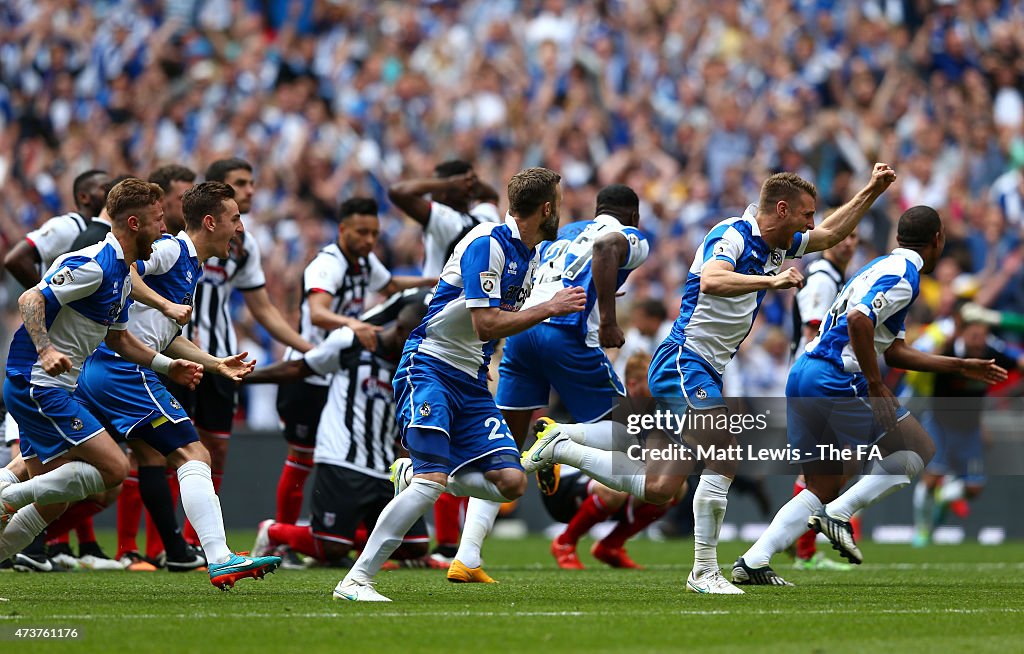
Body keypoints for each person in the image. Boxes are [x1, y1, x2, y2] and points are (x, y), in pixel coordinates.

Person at [523, 164, 898, 594]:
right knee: (724, 453)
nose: (811, 224)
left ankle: (563, 446)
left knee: (662, 487)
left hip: (704, 366)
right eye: (806, 214)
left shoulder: (778, 243)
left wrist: (871, 190)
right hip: (686, 359)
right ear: (781, 208)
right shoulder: (733, 234)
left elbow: (830, 234)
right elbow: (713, 280)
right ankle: (704, 572)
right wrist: (771, 281)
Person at [334, 167, 587, 602]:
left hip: (470, 380)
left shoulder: (529, 255)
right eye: (558, 205)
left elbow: (492, 327)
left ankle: (413, 471)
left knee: (511, 481)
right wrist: (549, 308)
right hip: (430, 366)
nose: (559, 212)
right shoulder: (487, 243)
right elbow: (485, 321)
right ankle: (355, 581)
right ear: (547, 208)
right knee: (432, 484)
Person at [732, 206, 1007, 586]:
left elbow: (894, 350)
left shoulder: (880, 266)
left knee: (824, 483)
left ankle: (753, 561)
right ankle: (838, 515)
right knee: (917, 449)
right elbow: (859, 319)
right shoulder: (904, 275)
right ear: (938, 240)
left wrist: (960, 365)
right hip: (834, 376)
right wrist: (877, 385)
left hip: (805, 374)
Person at [74, 181, 282, 588]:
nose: (240, 227)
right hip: (122, 367)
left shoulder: (193, 265)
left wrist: (215, 363)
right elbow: (124, 268)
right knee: (193, 453)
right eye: (235, 218)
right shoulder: (172, 250)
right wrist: (165, 304)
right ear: (210, 221)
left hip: (104, 366)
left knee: (52, 467)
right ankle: (219, 557)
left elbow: (165, 334)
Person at [0, 180, 201, 565]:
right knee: (114, 469)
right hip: (38, 383)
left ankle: (7, 496)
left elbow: (120, 341)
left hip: (50, 385)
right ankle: (6, 498)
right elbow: (30, 298)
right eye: (158, 220)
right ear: (134, 223)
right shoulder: (94, 264)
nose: (165, 229)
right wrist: (45, 349)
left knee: (53, 504)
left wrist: (167, 365)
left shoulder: (123, 275)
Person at [481, 184, 647, 576]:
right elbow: (607, 250)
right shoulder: (631, 237)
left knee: (502, 450)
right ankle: (560, 441)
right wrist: (607, 320)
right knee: (631, 435)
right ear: (634, 217)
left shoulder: (567, 231)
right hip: (566, 333)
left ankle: (468, 555)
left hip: (523, 332)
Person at [273, 197, 435, 548]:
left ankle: (331, 536)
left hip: (337, 373)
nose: (369, 240)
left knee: (337, 456)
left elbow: (390, 285)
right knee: (302, 456)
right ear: (343, 229)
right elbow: (317, 313)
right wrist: (352, 324)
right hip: (308, 372)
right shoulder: (327, 264)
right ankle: (280, 537)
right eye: (362, 232)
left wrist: (437, 281)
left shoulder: (363, 261)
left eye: (374, 234)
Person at [167, 158, 311, 547]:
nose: (250, 191)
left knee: (215, 451)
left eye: (251, 183)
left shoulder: (244, 246)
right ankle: (155, 545)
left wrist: (306, 347)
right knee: (163, 451)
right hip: (173, 355)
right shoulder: (175, 240)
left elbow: (262, 307)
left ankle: (192, 541)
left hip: (219, 359)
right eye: (240, 184)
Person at [250, 294, 433, 567]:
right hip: (341, 459)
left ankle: (345, 539)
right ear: (399, 330)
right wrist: (244, 378)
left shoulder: (414, 362)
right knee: (333, 547)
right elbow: (299, 367)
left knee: (415, 546)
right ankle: (273, 531)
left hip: (384, 466)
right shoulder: (352, 342)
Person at [388, 159, 502, 562]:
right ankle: (448, 541)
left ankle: (447, 541)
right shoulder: (485, 217)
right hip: (455, 330)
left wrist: (451, 183)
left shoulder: (449, 219)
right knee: (440, 439)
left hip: (453, 324)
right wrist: (465, 183)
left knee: (442, 440)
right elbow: (494, 196)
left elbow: (400, 191)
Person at [539, 353, 681, 570]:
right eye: (654, 380)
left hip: (603, 482)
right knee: (616, 485)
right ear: (633, 384)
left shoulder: (653, 414)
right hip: (564, 482)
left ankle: (611, 546)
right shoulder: (611, 407)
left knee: (675, 486)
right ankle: (564, 543)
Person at [789, 226, 860, 571]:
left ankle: (800, 544)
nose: (849, 241)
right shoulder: (821, 278)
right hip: (818, 381)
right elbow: (811, 333)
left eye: (855, 237)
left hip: (814, 380)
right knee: (836, 465)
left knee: (825, 468)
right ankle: (804, 547)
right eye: (844, 235)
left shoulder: (835, 276)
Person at [388, 159, 501, 278]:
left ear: (445, 193)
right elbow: (491, 196)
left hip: (438, 294)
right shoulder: (486, 218)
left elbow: (397, 192)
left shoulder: (448, 222)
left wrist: (449, 184)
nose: (432, 190)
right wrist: (473, 182)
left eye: (436, 184)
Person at [3, 170, 110, 288]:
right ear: (84, 197)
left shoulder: (106, 228)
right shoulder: (67, 226)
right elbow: (14, 259)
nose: (111, 193)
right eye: (105, 188)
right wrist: (46, 299)